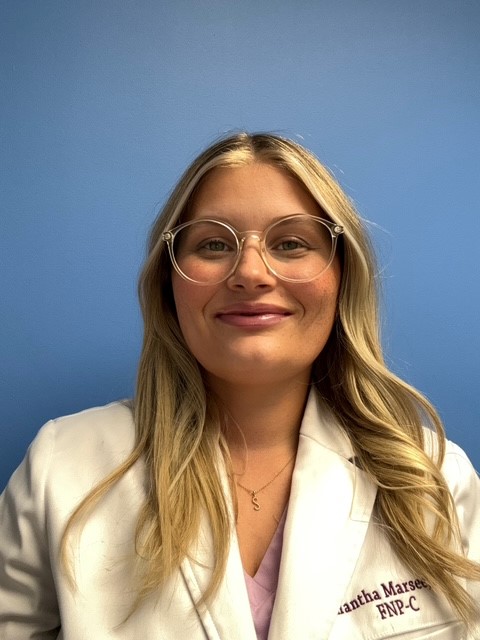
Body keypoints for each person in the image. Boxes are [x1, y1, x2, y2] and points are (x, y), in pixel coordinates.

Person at [0, 132, 479, 640]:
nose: (250, 273)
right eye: (212, 244)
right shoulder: (64, 467)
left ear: (342, 279)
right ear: (170, 283)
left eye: (292, 243)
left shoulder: (436, 481)